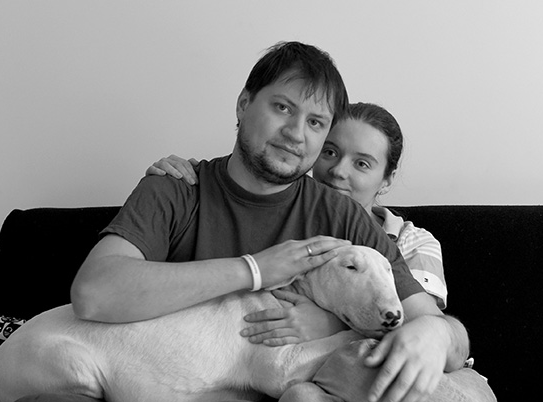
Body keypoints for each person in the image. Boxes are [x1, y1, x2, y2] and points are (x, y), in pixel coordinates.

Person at [71, 41, 478, 402]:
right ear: (244, 104)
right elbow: (94, 294)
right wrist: (255, 270)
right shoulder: (177, 189)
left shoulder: (344, 216)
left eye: (315, 122)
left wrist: (435, 334)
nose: (296, 133)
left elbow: (447, 338)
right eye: (283, 107)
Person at [146, 103, 497, 401]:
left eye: (362, 163)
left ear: (387, 179)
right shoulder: (298, 229)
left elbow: (412, 329)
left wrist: (326, 323)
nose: (338, 171)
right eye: (330, 152)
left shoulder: (410, 241)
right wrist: (190, 178)